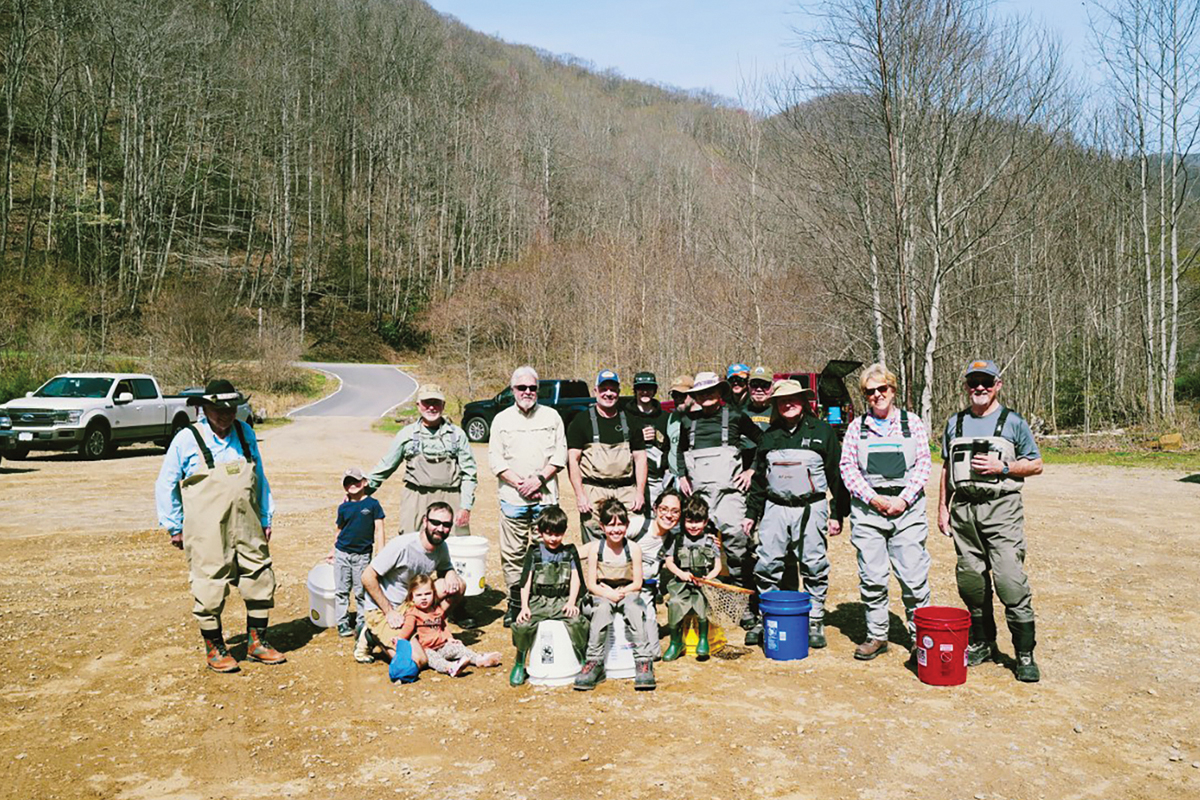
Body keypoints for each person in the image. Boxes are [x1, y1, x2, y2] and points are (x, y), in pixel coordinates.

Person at [155, 378, 285, 673]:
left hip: (249, 522)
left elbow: (260, 479)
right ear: (204, 407)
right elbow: (165, 485)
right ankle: (215, 648)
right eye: (218, 408)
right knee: (209, 583)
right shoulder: (187, 438)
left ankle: (257, 643)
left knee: (260, 576)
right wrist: (174, 525)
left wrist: (265, 517)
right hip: (207, 528)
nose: (225, 414)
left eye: (231, 408)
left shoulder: (245, 432)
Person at [937, 359, 1044, 683]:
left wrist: (1004, 468)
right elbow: (945, 469)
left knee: (1010, 580)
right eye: (973, 383)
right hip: (964, 511)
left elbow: (1036, 464)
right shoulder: (954, 423)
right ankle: (983, 642)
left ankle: (1024, 654)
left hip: (1002, 510)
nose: (979, 388)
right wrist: (942, 508)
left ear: (998, 385)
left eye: (986, 382)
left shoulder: (1013, 422)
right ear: (966, 386)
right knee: (971, 581)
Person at [744, 380, 850, 649]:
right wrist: (751, 514)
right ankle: (767, 615)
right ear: (776, 405)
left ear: (803, 401)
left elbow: (837, 476)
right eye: (782, 400)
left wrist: (837, 513)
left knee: (814, 565)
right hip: (775, 508)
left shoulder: (823, 432)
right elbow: (758, 481)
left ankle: (815, 618)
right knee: (767, 564)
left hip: (811, 509)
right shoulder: (768, 435)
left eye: (793, 398)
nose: (787, 404)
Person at [838, 364, 933, 661]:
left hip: (907, 510)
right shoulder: (856, 427)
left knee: (914, 577)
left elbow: (923, 465)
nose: (877, 395)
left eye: (882, 389)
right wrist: (874, 499)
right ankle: (877, 634)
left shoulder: (913, 423)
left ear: (893, 390)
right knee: (873, 576)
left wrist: (902, 501)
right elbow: (848, 469)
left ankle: (920, 636)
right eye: (870, 391)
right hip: (869, 512)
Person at [675, 371, 762, 640]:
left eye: (711, 391)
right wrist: (680, 475)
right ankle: (701, 603)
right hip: (699, 495)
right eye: (701, 393)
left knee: (738, 544)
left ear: (720, 392)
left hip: (729, 495)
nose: (706, 397)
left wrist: (751, 471)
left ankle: (743, 605)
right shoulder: (687, 421)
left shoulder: (735, 416)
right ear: (696, 396)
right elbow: (679, 450)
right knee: (697, 547)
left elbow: (763, 442)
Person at [488, 365, 568, 627]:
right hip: (513, 500)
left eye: (532, 388)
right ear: (513, 390)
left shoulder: (552, 416)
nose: (527, 392)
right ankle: (515, 604)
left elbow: (560, 455)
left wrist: (539, 480)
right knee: (513, 555)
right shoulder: (501, 420)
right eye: (522, 387)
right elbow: (495, 459)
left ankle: (542, 600)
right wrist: (520, 483)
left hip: (545, 498)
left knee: (545, 551)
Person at [355, 503, 467, 665]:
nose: (440, 529)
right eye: (435, 523)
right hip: (386, 609)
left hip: (413, 604)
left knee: (458, 585)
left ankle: (431, 626)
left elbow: (446, 568)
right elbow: (367, 576)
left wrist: (451, 573)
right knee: (416, 661)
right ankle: (371, 635)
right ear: (425, 521)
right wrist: (388, 611)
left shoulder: (441, 547)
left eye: (446, 525)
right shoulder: (403, 545)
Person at [366, 384, 476, 538]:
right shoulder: (406, 435)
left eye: (436, 403)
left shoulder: (457, 435)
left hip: (451, 497)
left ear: (443, 405)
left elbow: (469, 474)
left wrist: (465, 507)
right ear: (418, 405)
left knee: (456, 545)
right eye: (426, 403)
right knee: (410, 542)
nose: (431, 407)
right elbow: (386, 466)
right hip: (416, 497)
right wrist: (362, 491)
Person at [574, 499, 657, 691]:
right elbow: (592, 584)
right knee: (601, 610)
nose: (616, 529)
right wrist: (608, 594)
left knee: (634, 610)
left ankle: (643, 662)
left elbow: (637, 582)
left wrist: (622, 592)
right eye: (611, 525)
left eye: (620, 524)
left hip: (627, 591)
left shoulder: (633, 548)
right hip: (603, 591)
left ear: (627, 525)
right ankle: (594, 662)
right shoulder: (597, 549)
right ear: (602, 527)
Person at [509, 505, 588, 686]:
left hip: (561, 601)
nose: (553, 538)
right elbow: (525, 581)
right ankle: (520, 660)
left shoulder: (569, 552)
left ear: (564, 532)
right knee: (522, 625)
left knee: (577, 622)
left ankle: (582, 656)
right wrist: (525, 607)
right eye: (549, 534)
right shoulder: (534, 553)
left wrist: (571, 602)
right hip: (539, 601)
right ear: (540, 532)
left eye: (558, 534)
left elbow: (576, 579)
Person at [567, 369, 647, 543]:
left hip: (626, 491)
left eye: (612, 389)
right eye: (604, 389)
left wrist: (640, 493)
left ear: (618, 392)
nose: (608, 393)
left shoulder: (631, 421)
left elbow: (641, 459)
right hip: (594, 491)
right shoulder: (581, 421)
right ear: (595, 391)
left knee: (632, 537)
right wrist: (580, 495)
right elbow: (573, 460)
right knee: (594, 542)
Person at [398, 574, 502, 677]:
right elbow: (408, 628)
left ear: (433, 594)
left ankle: (478, 659)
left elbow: (443, 626)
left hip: (442, 646)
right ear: (412, 597)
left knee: (458, 647)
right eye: (419, 595)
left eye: (427, 594)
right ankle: (450, 667)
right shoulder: (413, 613)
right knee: (434, 659)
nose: (424, 598)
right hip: (426, 649)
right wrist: (399, 638)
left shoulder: (436, 610)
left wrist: (450, 638)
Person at [326, 467, 386, 638]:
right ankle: (342, 622)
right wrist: (333, 550)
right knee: (341, 590)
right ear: (344, 487)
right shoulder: (343, 507)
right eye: (348, 483)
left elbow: (379, 530)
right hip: (342, 554)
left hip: (362, 556)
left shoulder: (373, 505)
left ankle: (361, 621)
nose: (352, 485)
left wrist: (380, 555)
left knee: (361, 591)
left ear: (365, 482)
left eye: (356, 481)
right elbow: (339, 530)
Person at [661, 495, 722, 661]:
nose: (693, 526)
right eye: (689, 521)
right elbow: (669, 562)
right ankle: (675, 642)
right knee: (675, 603)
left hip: (703, 583)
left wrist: (707, 578)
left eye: (698, 522)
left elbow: (718, 566)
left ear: (705, 521)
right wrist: (680, 574)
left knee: (703, 604)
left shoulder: (710, 541)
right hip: (682, 583)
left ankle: (703, 640)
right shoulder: (678, 540)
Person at [626, 489, 682, 659]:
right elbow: (603, 545)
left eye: (675, 511)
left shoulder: (673, 540)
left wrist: (710, 540)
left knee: (653, 653)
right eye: (664, 509)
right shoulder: (639, 525)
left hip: (645, 593)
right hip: (622, 588)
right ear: (656, 509)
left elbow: (697, 536)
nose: (668, 515)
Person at [625, 371, 670, 507]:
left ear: (655, 390)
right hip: (631, 480)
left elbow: (670, 447)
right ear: (635, 390)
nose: (645, 392)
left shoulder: (665, 417)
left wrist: (657, 440)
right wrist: (638, 438)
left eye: (649, 388)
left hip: (658, 480)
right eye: (641, 388)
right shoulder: (625, 416)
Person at [665, 374, 694, 481]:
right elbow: (668, 445)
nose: (678, 399)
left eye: (682, 395)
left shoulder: (700, 418)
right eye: (675, 395)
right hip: (673, 477)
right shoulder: (672, 417)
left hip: (693, 478)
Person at [743, 366, 775, 431]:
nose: (759, 389)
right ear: (748, 387)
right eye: (754, 384)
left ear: (772, 387)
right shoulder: (740, 413)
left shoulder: (780, 413)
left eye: (765, 385)